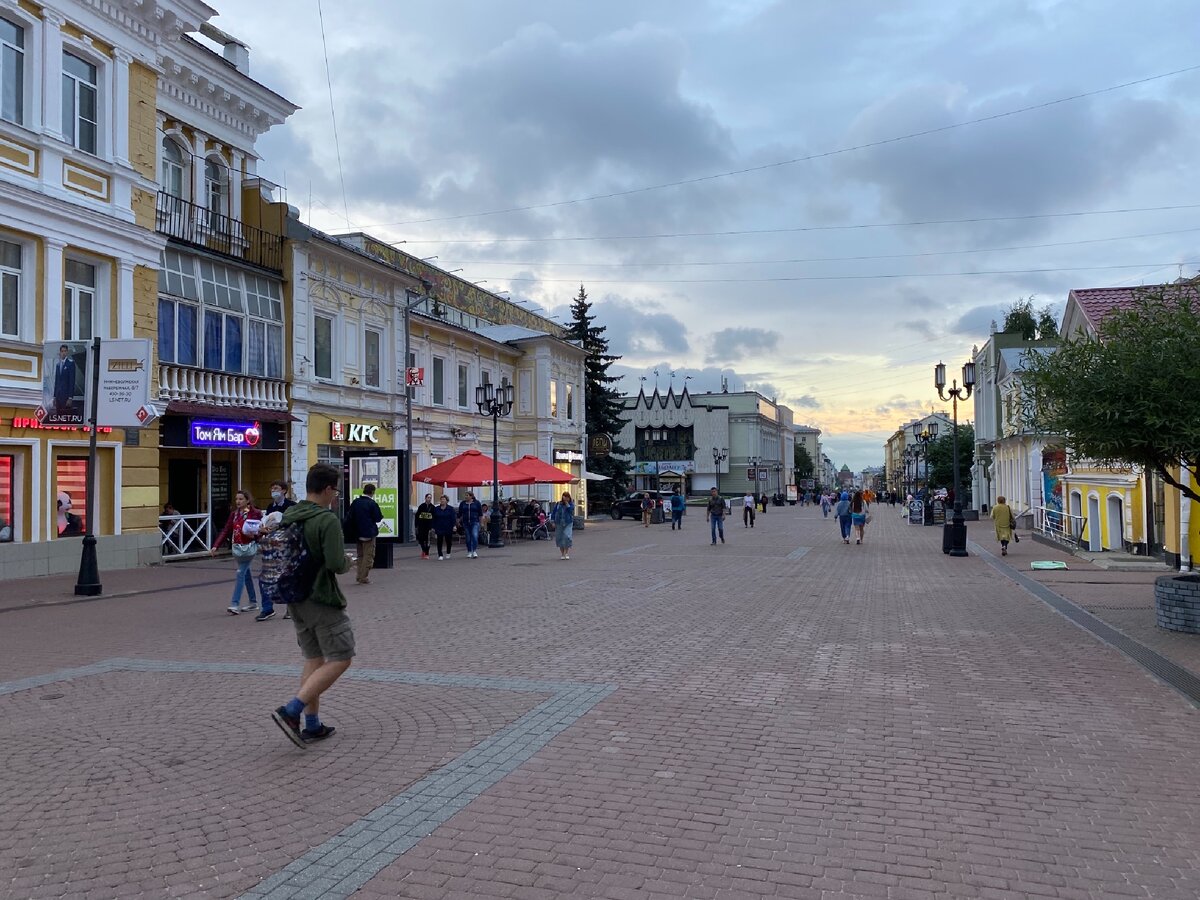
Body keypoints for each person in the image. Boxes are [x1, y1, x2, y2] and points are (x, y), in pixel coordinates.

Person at [270, 463, 355, 747]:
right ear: (329, 489)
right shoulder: (326, 519)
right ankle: (292, 710)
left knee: (314, 658)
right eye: (336, 491)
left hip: (295, 596)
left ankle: (313, 725)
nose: (336, 496)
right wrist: (347, 562)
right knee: (341, 657)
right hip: (321, 597)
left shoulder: (289, 514)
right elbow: (334, 563)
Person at [211, 489, 262, 614]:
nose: (238, 501)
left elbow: (261, 529)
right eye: (236, 499)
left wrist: (255, 536)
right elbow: (226, 530)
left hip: (249, 547)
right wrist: (215, 546)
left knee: (240, 573)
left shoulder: (254, 513)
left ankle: (235, 603)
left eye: (241, 499)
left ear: (247, 500)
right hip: (238, 547)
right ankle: (253, 601)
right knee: (246, 573)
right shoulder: (234, 514)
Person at [346, 483, 384, 584]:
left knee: (360, 555)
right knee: (369, 556)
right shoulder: (372, 503)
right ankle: (363, 577)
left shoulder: (356, 502)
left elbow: (350, 516)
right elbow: (378, 518)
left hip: (357, 533)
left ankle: (359, 575)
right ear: (372, 492)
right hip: (369, 533)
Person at [52, 344, 76, 417]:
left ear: (67, 352)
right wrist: (54, 397)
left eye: (65, 351)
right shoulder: (58, 365)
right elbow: (56, 381)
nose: (63, 353)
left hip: (66, 396)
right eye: (62, 351)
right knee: (58, 415)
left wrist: (70, 397)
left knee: (65, 415)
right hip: (58, 396)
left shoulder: (71, 363)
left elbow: (72, 381)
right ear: (60, 352)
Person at [458, 490, 483, 558]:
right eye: (465, 495)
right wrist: (458, 522)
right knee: (468, 538)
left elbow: (480, 514)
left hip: (475, 522)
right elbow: (460, 513)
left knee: (474, 536)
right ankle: (469, 551)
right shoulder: (463, 503)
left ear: (471, 496)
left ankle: (474, 551)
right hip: (466, 522)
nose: (466, 497)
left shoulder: (477, 503)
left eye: (467, 495)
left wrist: (481, 523)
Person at [432, 495, 457, 559]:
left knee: (448, 541)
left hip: (448, 527)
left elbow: (453, 518)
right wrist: (433, 527)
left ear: (447, 501)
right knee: (439, 541)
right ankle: (440, 555)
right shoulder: (436, 508)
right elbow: (434, 518)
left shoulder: (451, 509)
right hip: (439, 527)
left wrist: (454, 526)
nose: (442, 501)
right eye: (441, 499)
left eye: (444, 499)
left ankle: (448, 552)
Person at [551, 491, 574, 559]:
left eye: (567, 497)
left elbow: (571, 511)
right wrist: (553, 521)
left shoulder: (571, 504)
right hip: (559, 522)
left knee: (567, 537)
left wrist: (567, 504)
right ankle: (562, 554)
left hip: (568, 522)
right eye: (565, 497)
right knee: (560, 538)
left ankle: (566, 553)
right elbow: (554, 512)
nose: (566, 498)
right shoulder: (558, 504)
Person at [415, 493, 435, 559]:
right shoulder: (421, 506)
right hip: (421, 525)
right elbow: (417, 516)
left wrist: (432, 526)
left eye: (430, 498)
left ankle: (427, 553)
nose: (429, 499)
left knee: (427, 540)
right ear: (425, 498)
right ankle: (423, 549)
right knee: (420, 538)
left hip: (429, 525)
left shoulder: (432, 507)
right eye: (428, 497)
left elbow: (434, 517)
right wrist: (416, 525)